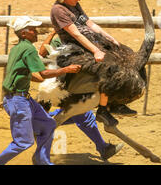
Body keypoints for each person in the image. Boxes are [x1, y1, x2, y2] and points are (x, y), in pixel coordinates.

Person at [0, 16, 81, 165]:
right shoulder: (29, 49)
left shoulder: (17, 48)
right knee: (23, 142)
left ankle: (42, 161)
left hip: (21, 98)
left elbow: (19, 71)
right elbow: (43, 73)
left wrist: (33, 77)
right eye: (32, 30)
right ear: (24, 34)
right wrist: (67, 69)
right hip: (18, 101)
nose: (36, 32)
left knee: (49, 124)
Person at [50, 0, 135, 127]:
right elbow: (75, 33)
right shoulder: (58, 10)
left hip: (91, 43)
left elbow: (89, 24)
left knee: (124, 55)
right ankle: (103, 109)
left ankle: (115, 102)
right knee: (108, 67)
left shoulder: (74, 6)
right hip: (74, 50)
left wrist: (110, 38)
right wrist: (96, 51)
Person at [39, 30, 123, 161]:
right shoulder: (59, 42)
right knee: (84, 116)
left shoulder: (84, 43)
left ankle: (37, 121)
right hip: (63, 86)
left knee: (78, 115)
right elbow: (42, 53)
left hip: (77, 86)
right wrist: (51, 34)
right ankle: (103, 148)